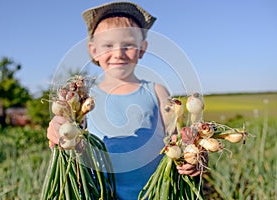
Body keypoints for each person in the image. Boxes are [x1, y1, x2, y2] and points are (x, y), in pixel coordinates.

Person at [47, 2, 204, 199]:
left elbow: (177, 140)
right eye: (108, 45)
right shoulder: (83, 99)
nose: (118, 54)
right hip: (98, 194)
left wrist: (191, 155)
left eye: (128, 45)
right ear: (93, 50)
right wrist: (58, 127)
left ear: (142, 49)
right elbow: (68, 133)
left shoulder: (157, 91)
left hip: (153, 194)